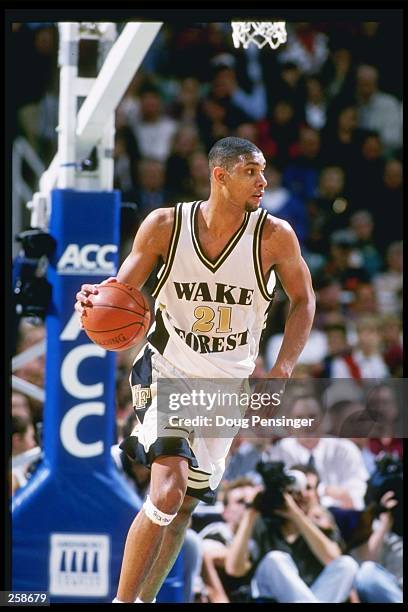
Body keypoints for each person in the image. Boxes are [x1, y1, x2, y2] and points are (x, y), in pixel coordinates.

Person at [75, 136, 316, 603]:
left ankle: (144, 600)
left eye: (264, 170)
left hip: (227, 385)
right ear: (219, 175)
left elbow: (304, 300)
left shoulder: (275, 236)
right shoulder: (166, 226)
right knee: (168, 489)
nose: (263, 180)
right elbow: (120, 291)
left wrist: (284, 368)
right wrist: (95, 302)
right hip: (167, 370)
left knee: (183, 507)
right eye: (251, 170)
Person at [224, 464, 358, 603]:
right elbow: (234, 569)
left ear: (317, 494)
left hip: (317, 593)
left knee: (347, 564)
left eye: (307, 488)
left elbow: (332, 559)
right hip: (271, 597)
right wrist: (252, 511)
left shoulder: (321, 522)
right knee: (275, 559)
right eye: (292, 489)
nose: (300, 494)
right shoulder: (263, 523)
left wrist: (296, 514)